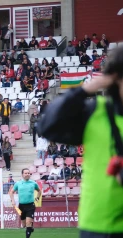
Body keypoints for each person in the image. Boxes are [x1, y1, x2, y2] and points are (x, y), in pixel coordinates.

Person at [37, 46, 123, 237]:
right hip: (97, 223)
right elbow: (46, 127)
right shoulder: (96, 112)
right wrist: (83, 91)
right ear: (115, 80)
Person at [9, 169, 41, 238]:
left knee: (28, 222)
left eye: (28, 173)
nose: (27, 174)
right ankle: (30, 227)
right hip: (21, 206)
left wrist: (37, 198)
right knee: (24, 225)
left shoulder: (33, 183)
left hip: (30, 205)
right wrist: (13, 201)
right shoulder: (18, 183)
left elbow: (39, 191)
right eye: (25, 173)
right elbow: (11, 192)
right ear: (22, 174)